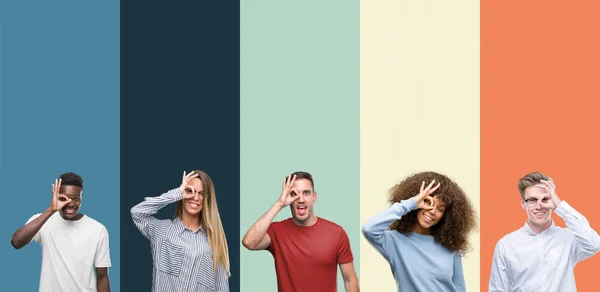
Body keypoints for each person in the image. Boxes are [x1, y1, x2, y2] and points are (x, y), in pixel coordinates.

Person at [242, 171, 359, 292]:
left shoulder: (336, 233)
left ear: (314, 197)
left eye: (306, 193)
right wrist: (279, 204)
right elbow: (249, 242)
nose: (301, 199)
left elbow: (350, 279)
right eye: (294, 194)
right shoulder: (277, 231)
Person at [362, 171, 477, 292]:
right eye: (428, 202)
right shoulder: (394, 241)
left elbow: (459, 288)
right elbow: (369, 229)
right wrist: (410, 203)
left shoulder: (450, 245)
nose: (432, 211)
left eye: (440, 208)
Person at [489, 171, 600, 292]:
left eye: (545, 199)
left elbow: (594, 244)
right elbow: (497, 289)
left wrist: (559, 205)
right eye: (532, 200)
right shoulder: (506, 244)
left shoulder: (568, 238)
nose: (539, 206)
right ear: (523, 203)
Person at [10, 172, 112, 292]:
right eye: (64, 198)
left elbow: (102, 277)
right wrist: (51, 210)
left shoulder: (98, 230)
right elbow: (16, 242)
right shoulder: (44, 221)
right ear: (56, 197)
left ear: (81, 198)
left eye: (75, 199)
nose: (71, 204)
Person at [131, 170, 230, 292]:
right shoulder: (162, 231)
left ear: (207, 200)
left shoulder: (214, 243)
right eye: (190, 191)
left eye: (201, 194)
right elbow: (137, 213)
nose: (195, 197)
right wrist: (177, 193)